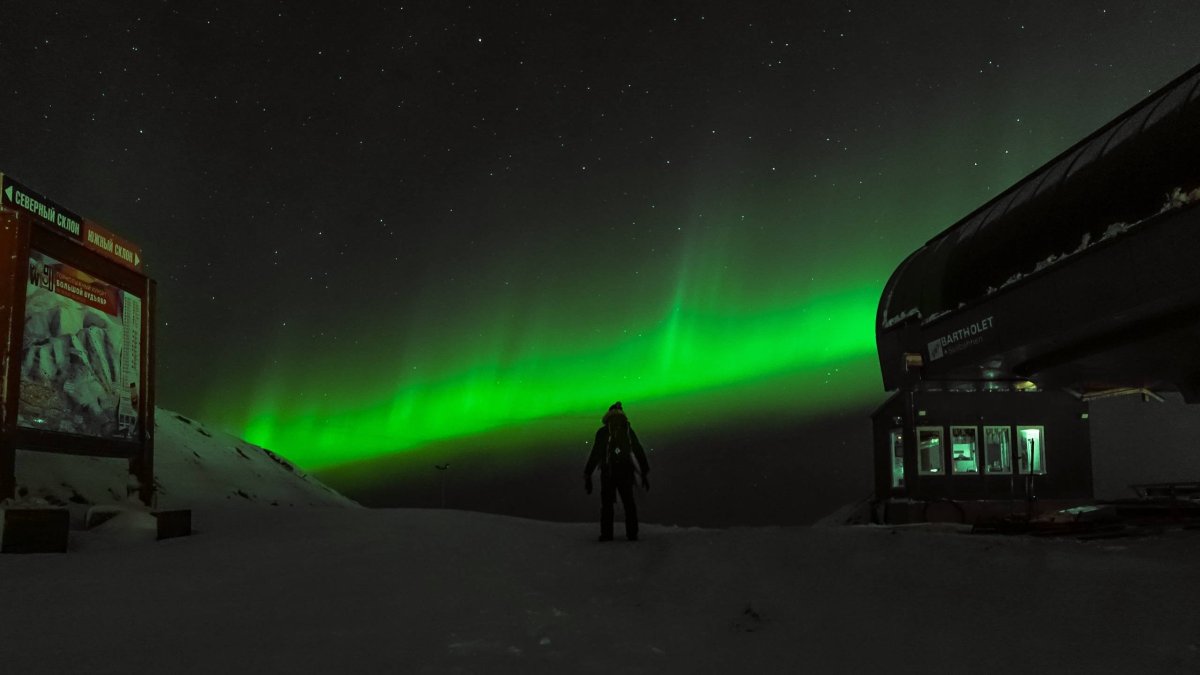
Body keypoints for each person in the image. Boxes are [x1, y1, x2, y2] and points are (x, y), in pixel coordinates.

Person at [583, 401, 650, 541]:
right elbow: (637, 449)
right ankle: (632, 534)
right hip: (625, 470)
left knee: (607, 504)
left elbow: (596, 453)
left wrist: (588, 473)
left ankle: (607, 534)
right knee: (628, 502)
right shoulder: (627, 429)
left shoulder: (602, 432)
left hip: (608, 472)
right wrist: (644, 471)